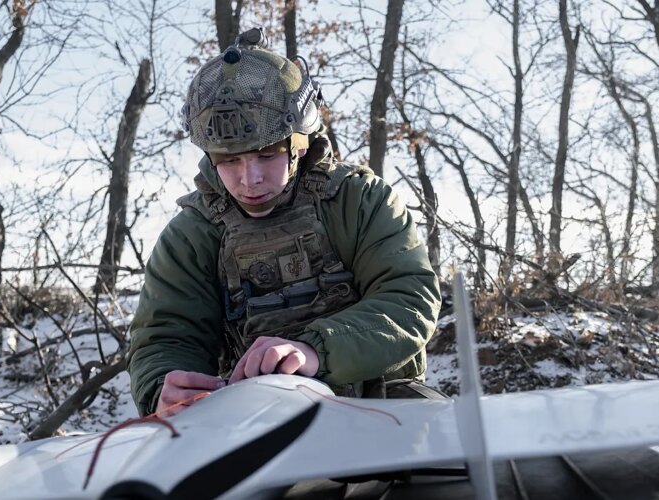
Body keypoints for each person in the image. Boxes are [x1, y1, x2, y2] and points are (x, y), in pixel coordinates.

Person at [128, 28, 442, 417]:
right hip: (253, 417)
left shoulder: (361, 201)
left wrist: (314, 350)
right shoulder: (191, 236)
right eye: (228, 160)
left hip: (381, 403)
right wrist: (163, 387)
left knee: (455, 452)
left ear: (300, 143)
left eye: (266, 154)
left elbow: (409, 299)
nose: (249, 178)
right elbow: (167, 336)